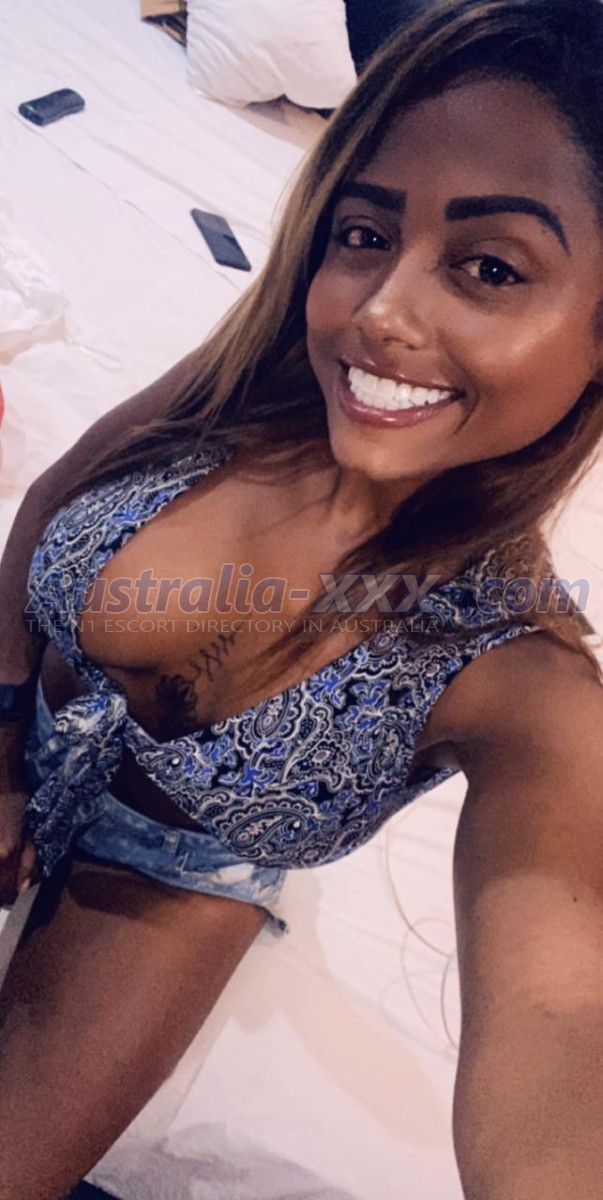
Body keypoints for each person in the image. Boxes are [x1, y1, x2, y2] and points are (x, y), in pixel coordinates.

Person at [1, 0, 603, 1194]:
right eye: (366, 233)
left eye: (490, 267)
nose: (377, 313)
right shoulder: (271, 374)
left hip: (162, 886)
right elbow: (49, 505)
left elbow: (566, 1016)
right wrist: (1, 737)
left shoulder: (525, 682)